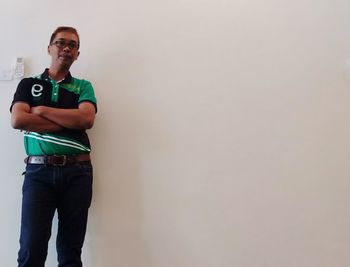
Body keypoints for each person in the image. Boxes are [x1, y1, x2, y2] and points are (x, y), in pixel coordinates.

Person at [10, 26, 97, 267]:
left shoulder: (83, 86)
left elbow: (86, 120)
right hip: (38, 174)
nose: (66, 48)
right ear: (49, 48)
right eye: (60, 43)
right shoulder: (28, 84)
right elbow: (18, 120)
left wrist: (42, 111)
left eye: (72, 45)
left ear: (77, 54)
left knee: (70, 251)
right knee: (31, 249)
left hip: (78, 173)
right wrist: (69, 121)